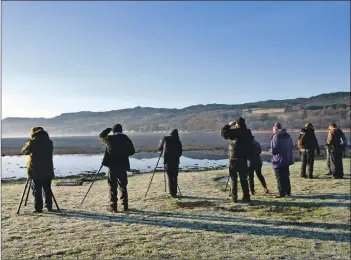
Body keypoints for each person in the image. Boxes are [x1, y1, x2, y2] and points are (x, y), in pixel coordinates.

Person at [99, 124, 135, 212]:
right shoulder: (126, 139)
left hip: (112, 166)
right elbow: (132, 151)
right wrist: (124, 154)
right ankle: (125, 205)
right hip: (123, 166)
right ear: (121, 131)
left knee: (112, 186)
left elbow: (101, 136)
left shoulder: (110, 139)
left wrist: (108, 129)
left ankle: (113, 206)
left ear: (114, 131)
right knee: (123, 186)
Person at [22, 127, 55, 213]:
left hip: (35, 170)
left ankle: (38, 208)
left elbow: (25, 151)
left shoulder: (32, 142)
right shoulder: (49, 142)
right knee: (47, 189)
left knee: (37, 190)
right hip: (48, 170)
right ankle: (49, 206)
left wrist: (28, 143)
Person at [221, 117, 253, 203]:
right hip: (243, 158)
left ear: (237, 124)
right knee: (244, 178)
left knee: (233, 178)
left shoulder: (235, 132)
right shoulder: (248, 132)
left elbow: (223, 133)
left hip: (234, 159)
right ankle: (246, 197)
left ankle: (234, 197)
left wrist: (229, 125)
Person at [270, 122, 294, 198]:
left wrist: (270, 151)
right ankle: (288, 192)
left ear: (275, 128)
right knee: (286, 176)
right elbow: (291, 146)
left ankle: (282, 193)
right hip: (287, 159)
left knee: (279, 178)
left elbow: (274, 150)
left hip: (278, 160)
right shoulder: (288, 135)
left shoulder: (276, 136)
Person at [158, 129, 183, 198]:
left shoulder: (166, 139)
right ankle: (174, 193)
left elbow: (159, 148)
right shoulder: (178, 141)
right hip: (175, 161)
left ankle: (171, 193)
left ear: (170, 133)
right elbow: (180, 152)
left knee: (170, 177)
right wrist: (176, 156)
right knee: (175, 177)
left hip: (167, 161)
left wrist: (160, 143)